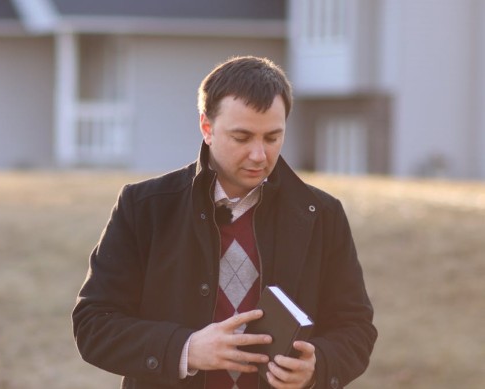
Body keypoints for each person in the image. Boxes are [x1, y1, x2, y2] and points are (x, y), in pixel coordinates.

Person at [72, 56, 376, 389]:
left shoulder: (323, 215)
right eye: (242, 138)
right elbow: (93, 325)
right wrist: (186, 349)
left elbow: (356, 328)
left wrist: (318, 366)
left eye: (272, 137)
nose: (259, 155)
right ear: (206, 128)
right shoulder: (143, 207)